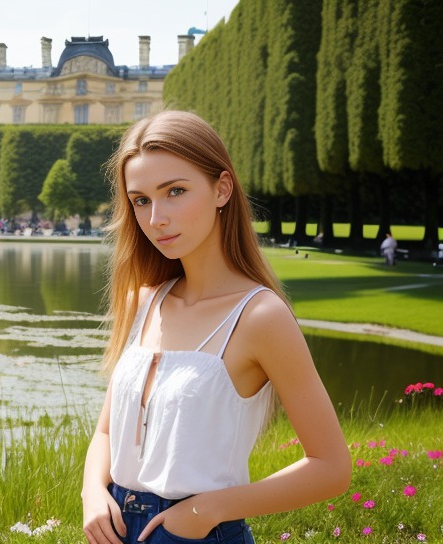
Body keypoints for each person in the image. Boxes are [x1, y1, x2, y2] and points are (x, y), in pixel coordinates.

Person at [82, 111, 350, 544]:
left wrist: (206, 511)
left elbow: (331, 467)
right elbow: (107, 431)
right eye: (141, 200)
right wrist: (92, 491)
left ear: (222, 189)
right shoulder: (144, 302)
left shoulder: (259, 316)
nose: (156, 218)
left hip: (196, 533)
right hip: (114, 526)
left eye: (175, 191)